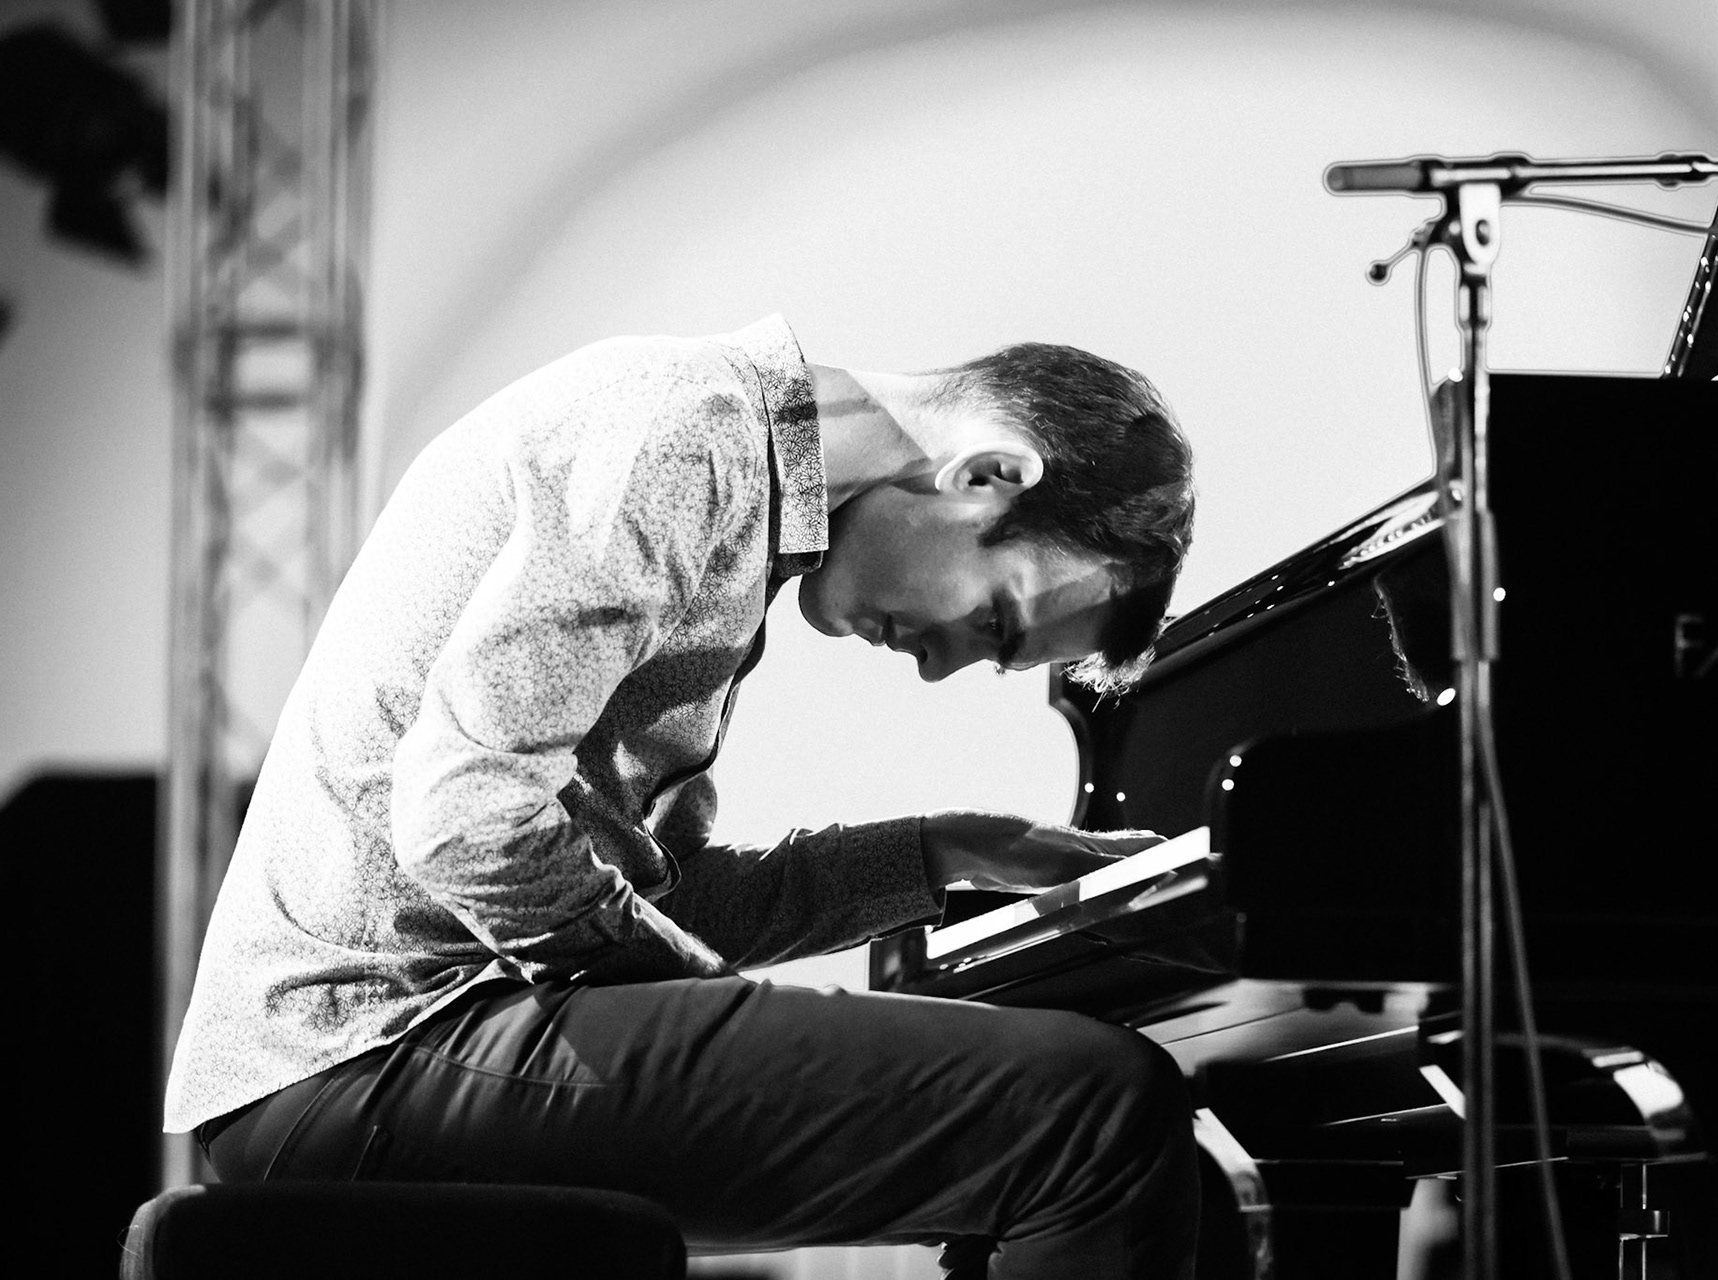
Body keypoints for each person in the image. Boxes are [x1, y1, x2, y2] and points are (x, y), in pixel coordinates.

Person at [164, 314, 1201, 1278]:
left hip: (389, 1040)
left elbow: (615, 905)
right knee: (1094, 1113)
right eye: (997, 622)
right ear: (985, 474)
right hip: (374, 1041)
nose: (941, 667)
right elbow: (468, 820)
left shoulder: (723, 479)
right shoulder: (685, 437)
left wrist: (945, 850)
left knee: (1073, 1127)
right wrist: (707, 994)